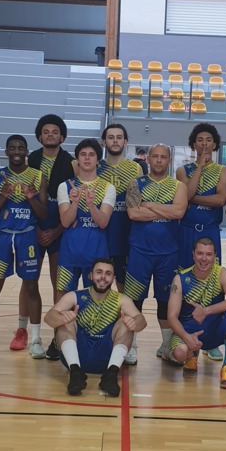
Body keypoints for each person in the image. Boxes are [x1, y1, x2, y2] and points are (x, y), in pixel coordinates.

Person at [0, 135, 48, 360]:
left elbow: (43, 214)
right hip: (2, 237)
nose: (16, 151)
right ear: (6, 152)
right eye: (12, 148)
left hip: (27, 237)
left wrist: (31, 197)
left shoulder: (38, 176)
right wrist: (4, 196)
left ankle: (36, 340)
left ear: (27, 152)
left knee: (31, 288)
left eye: (20, 148)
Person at [45, 256, 147, 398]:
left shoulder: (121, 299)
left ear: (113, 278)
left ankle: (111, 375)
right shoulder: (74, 296)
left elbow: (142, 320)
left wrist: (135, 323)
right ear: (91, 275)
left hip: (106, 359)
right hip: (77, 356)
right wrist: (62, 318)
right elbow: (49, 317)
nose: (103, 277)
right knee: (65, 319)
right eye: (99, 272)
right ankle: (75, 373)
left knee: (126, 322)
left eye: (108, 273)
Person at [124, 142, 188, 361]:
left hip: (168, 253)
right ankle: (131, 345)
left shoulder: (178, 186)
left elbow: (178, 212)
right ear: (148, 158)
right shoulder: (135, 183)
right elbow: (133, 214)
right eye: (155, 156)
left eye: (163, 157)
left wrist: (149, 205)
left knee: (165, 302)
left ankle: (166, 346)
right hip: (140, 251)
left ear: (169, 160)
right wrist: (165, 210)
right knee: (134, 300)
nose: (159, 160)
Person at [176, 124, 226, 361]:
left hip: (210, 231)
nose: (205, 143)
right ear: (193, 144)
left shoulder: (223, 170)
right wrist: (199, 167)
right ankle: (185, 335)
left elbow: (220, 200)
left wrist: (192, 198)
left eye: (209, 139)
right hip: (187, 232)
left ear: (215, 144)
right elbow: (185, 196)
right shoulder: (182, 170)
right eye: (200, 139)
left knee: (213, 283)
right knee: (186, 282)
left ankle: (211, 341)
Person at [24, 114, 74, 360]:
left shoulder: (71, 163)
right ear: (39, 136)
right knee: (28, 281)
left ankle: (58, 336)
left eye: (55, 131)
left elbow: (75, 203)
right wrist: (35, 228)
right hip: (33, 229)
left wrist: (57, 230)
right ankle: (23, 331)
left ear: (62, 136)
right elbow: (23, 199)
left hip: (59, 229)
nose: (50, 135)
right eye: (46, 131)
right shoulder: (31, 160)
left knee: (60, 284)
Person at [167, 237, 226, 389]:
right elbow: (171, 316)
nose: (204, 259)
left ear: (215, 256)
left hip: (213, 330)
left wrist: (206, 311)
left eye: (208, 254)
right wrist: (186, 337)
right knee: (180, 353)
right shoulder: (180, 279)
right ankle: (191, 356)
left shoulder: (221, 273)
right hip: (189, 330)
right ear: (193, 254)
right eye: (200, 253)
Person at [98, 123, 143, 364]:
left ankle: (130, 342)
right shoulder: (96, 167)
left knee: (127, 293)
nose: (115, 141)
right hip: (101, 238)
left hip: (126, 238)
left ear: (126, 141)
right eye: (110, 137)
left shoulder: (135, 168)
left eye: (119, 137)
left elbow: (138, 203)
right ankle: (100, 338)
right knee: (99, 290)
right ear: (103, 142)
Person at [56, 138, 116, 294]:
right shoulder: (65, 186)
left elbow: (103, 222)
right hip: (69, 254)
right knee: (64, 300)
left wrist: (91, 205)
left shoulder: (108, 188)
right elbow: (65, 222)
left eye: (91, 155)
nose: (87, 158)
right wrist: (75, 202)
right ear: (77, 160)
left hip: (97, 256)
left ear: (98, 160)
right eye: (83, 154)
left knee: (96, 301)